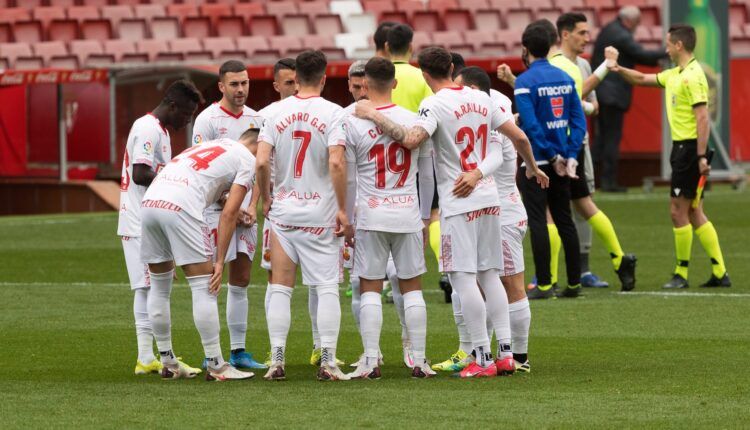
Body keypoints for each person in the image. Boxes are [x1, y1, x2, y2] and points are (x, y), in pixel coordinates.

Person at [356, 46, 547, 378]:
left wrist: (373, 114)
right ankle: (504, 354)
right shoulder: (484, 99)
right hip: (490, 199)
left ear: (425, 74)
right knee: (490, 273)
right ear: (451, 67)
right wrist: (530, 168)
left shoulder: (435, 103)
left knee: (463, 278)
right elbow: (518, 138)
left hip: (458, 201)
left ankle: (482, 358)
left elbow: (412, 139)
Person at [609, 24, 730, 289]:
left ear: (678, 46)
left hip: (688, 150)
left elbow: (702, 117)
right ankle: (720, 273)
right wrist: (617, 69)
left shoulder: (693, 76)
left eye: (667, 43)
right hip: (683, 149)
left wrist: (701, 156)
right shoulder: (676, 73)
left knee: (678, 211)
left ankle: (681, 274)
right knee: (695, 210)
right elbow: (642, 79)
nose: (664, 48)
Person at [257, 50, 353, 381]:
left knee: (281, 288)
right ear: (325, 78)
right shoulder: (334, 113)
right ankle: (327, 360)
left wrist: (266, 198)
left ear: (295, 78)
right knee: (326, 287)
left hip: (283, 214)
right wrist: (342, 208)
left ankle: (277, 360)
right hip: (320, 215)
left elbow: (259, 162)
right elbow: (337, 162)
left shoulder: (274, 113)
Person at [141, 130, 258, 381]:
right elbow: (228, 214)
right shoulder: (249, 160)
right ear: (257, 146)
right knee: (205, 286)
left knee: (159, 288)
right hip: (182, 205)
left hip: (150, 202)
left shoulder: (216, 145)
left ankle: (168, 363)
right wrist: (218, 261)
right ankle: (217, 366)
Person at [345, 57, 435, 379]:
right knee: (412, 289)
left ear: (365, 85)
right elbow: (426, 175)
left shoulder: (353, 121)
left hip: (370, 213)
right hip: (408, 213)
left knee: (369, 288)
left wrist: (349, 217)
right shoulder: (413, 120)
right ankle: (421, 361)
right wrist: (425, 217)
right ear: (395, 84)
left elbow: (351, 177)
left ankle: (370, 361)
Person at [448, 66, 532, 373]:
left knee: (510, 283)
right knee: (483, 283)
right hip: (495, 210)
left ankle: (518, 357)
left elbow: (513, 143)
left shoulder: (491, 114)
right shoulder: (493, 104)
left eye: (459, 87)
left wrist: (533, 168)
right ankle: (483, 352)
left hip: (504, 212)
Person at [117, 79, 203, 376]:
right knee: (147, 287)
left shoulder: (161, 131)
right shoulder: (148, 128)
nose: (187, 121)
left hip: (148, 220)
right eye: (186, 115)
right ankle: (149, 357)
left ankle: (147, 356)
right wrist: (175, 185)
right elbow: (140, 173)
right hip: (139, 221)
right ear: (173, 106)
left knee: (149, 287)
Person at [191, 60, 266, 371]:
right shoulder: (206, 120)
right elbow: (200, 167)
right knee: (211, 279)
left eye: (245, 83)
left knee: (242, 279)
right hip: (213, 212)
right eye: (234, 84)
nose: (241, 90)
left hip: (245, 213)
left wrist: (251, 206)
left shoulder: (258, 119)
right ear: (221, 86)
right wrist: (226, 201)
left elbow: (264, 166)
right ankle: (213, 353)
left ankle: (238, 350)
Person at [513, 20, 587, 300]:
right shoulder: (566, 78)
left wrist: (552, 156)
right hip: (563, 161)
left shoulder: (524, 82)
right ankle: (575, 283)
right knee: (565, 219)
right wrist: (569, 155)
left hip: (537, 163)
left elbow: (531, 126)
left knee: (538, 221)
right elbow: (578, 123)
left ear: (525, 48)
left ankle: (544, 285)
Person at [591, 6, 668, 192]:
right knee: (610, 139)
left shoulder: (610, 29)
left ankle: (589, 180)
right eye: (637, 22)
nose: (638, 26)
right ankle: (608, 181)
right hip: (612, 94)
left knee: (601, 139)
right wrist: (669, 50)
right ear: (630, 20)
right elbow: (640, 54)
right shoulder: (620, 35)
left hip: (602, 92)